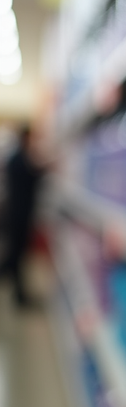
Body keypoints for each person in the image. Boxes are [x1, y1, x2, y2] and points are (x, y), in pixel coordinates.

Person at [1, 124, 44, 308]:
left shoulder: (17, 158)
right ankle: (19, 295)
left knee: (16, 255)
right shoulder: (19, 159)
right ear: (26, 138)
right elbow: (32, 176)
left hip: (16, 212)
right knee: (15, 255)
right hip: (18, 214)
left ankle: (20, 295)